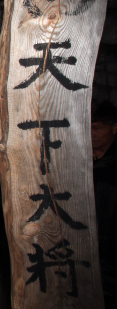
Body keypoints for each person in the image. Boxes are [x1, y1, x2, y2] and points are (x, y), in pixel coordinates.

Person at [91, 100, 117, 308]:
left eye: (96, 128)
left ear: (114, 128)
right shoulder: (87, 159)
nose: (91, 133)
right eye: (87, 127)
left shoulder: (111, 169)